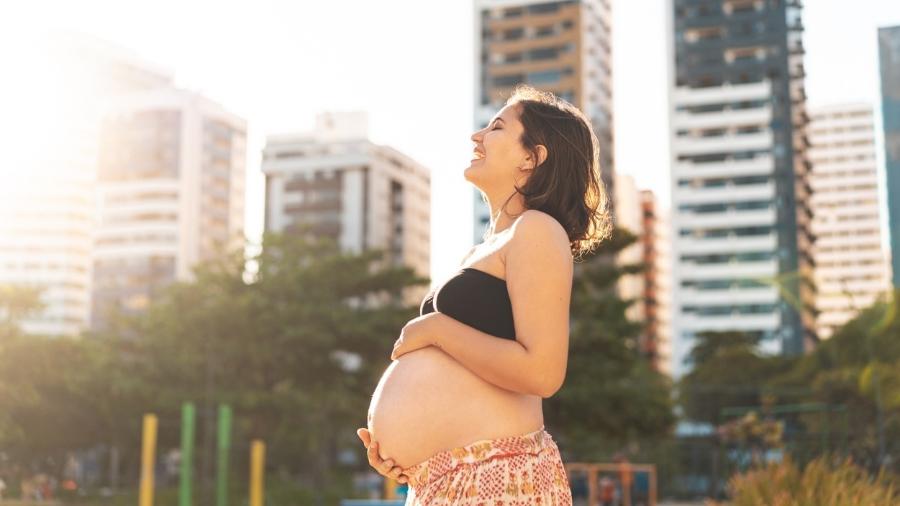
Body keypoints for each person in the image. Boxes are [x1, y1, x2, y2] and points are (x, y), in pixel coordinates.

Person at [357, 84, 610, 504]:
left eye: (496, 127)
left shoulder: (537, 229)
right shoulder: (484, 248)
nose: (477, 137)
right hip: (443, 480)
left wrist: (437, 329)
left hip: (498, 476)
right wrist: (400, 455)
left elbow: (543, 372)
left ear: (533, 156)